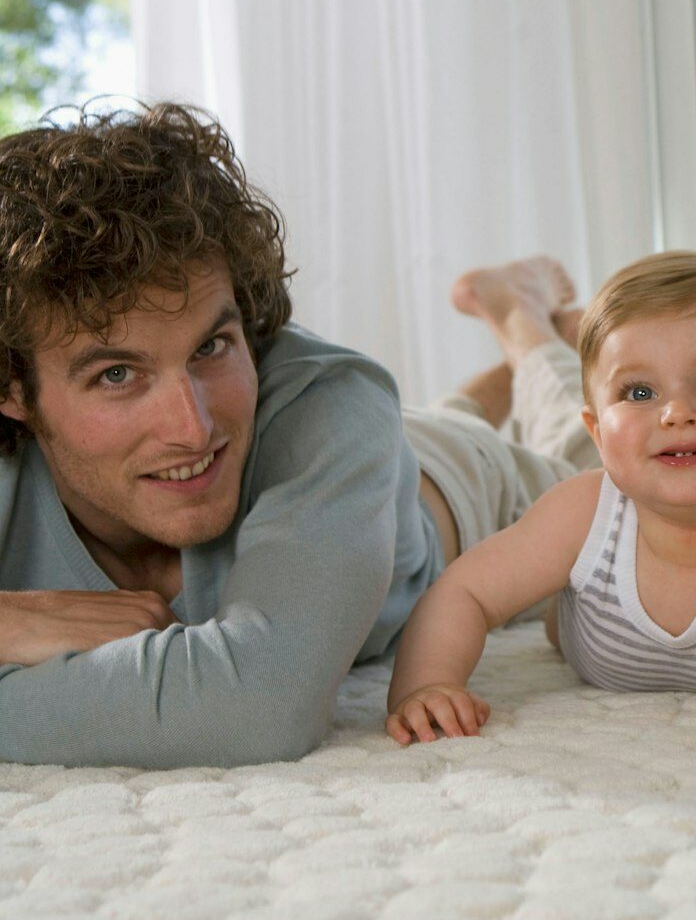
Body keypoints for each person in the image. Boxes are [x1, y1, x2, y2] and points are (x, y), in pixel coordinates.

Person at [0, 104, 590, 768]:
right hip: (358, 452)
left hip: (459, 486)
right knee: (428, 416)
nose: (191, 428)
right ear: (12, 390)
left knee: (602, 453)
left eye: (211, 347)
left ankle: (524, 322)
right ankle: (492, 378)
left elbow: (256, 707)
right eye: (116, 375)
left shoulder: (331, 407)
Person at [386, 253, 696, 747]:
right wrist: (429, 684)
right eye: (640, 392)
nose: (678, 412)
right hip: (585, 597)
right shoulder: (581, 515)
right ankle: (524, 340)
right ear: (599, 435)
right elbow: (463, 592)